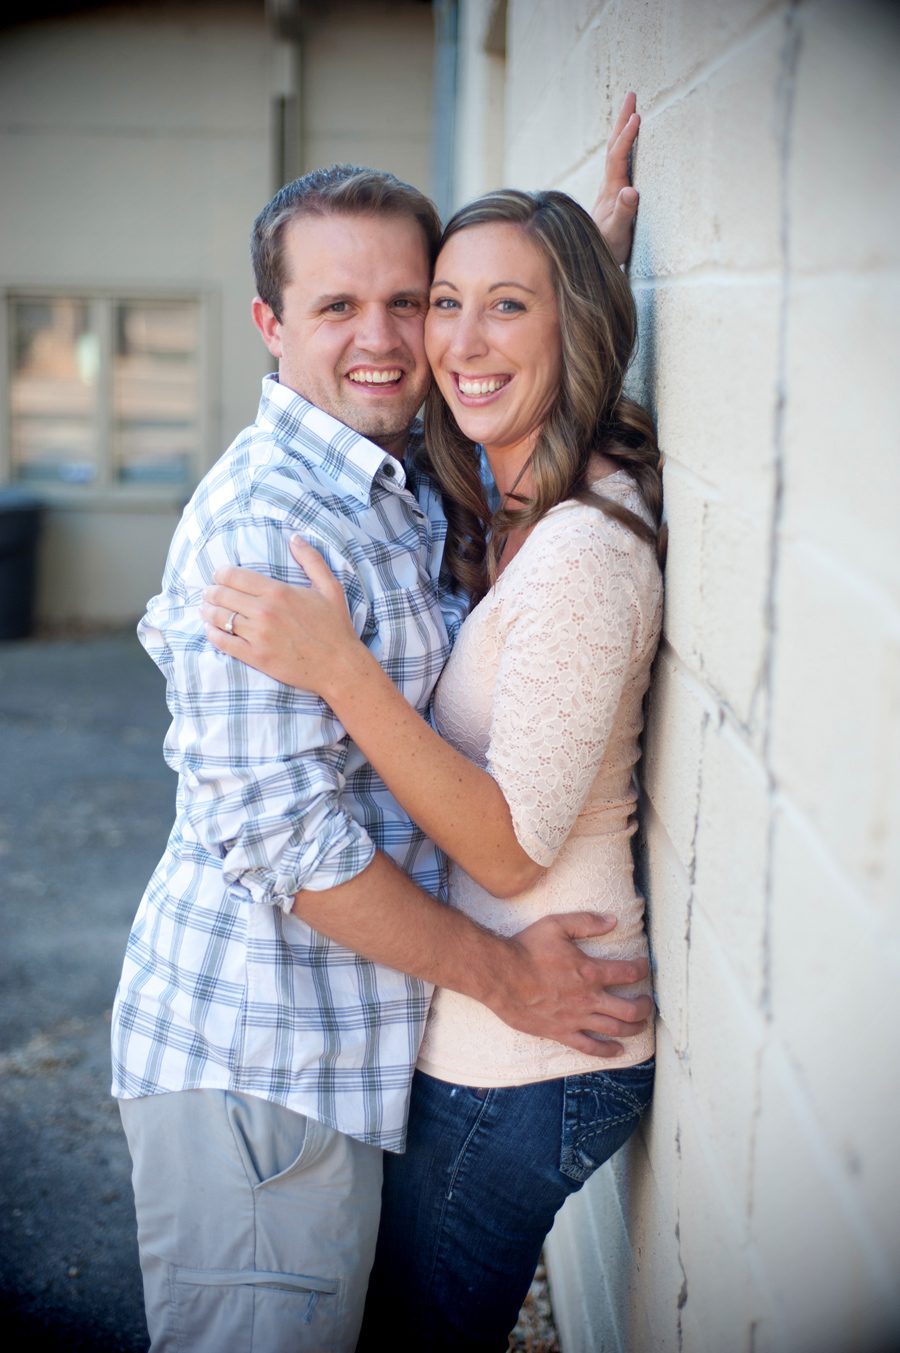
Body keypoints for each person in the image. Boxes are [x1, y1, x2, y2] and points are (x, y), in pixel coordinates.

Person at [111, 101, 651, 1352]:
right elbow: (290, 845)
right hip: (260, 1059)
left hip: (350, 1048)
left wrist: (586, 279)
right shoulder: (266, 527)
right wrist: (511, 980)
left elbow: (517, 401)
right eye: (337, 307)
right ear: (270, 326)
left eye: (413, 301)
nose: (389, 339)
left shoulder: (401, 469)